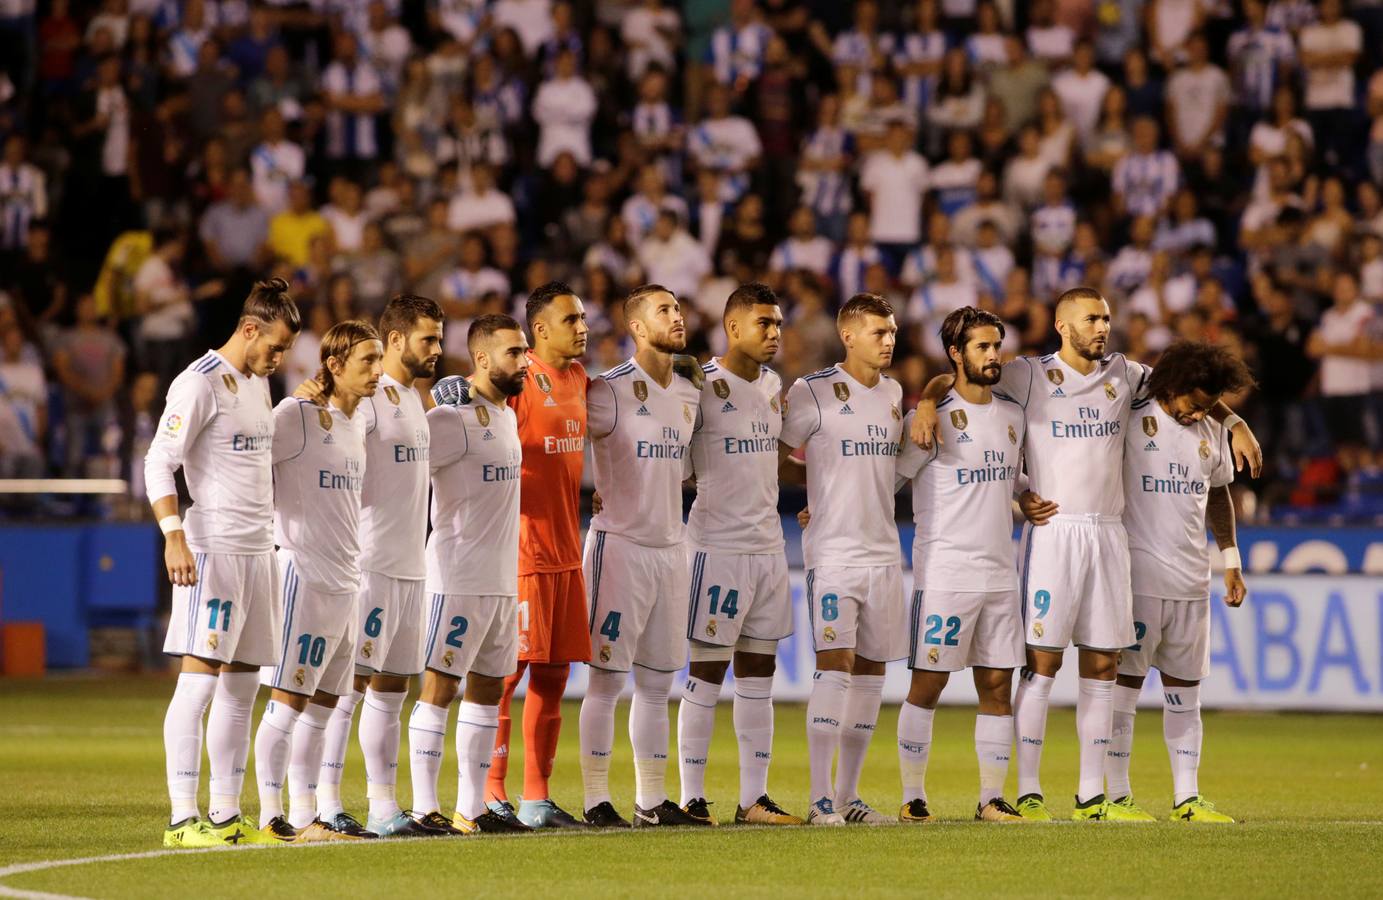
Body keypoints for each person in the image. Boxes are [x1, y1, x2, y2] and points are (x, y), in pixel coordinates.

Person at [909, 286, 1261, 822]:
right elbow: (960, 377)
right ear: (1061, 324)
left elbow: (1192, 385)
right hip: (1055, 532)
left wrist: (1235, 423)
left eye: (1107, 318)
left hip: (1109, 535)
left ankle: (1092, 796)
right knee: (1042, 666)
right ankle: (1027, 792)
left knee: (1103, 666)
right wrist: (929, 399)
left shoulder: (1127, 373)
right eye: (1092, 318)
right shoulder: (1026, 374)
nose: (1102, 327)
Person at [145, 278, 301, 848]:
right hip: (212, 551)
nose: (277, 358)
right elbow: (158, 463)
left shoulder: (257, 384)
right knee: (198, 686)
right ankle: (182, 819)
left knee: (242, 689)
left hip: (260, 554)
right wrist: (173, 536)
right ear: (249, 328)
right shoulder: (198, 383)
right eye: (275, 347)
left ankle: (225, 816)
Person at [433, 281, 594, 829]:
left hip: (568, 551)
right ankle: (492, 792)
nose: (583, 327)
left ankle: (535, 797)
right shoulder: (517, 384)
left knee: (553, 679)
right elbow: (473, 396)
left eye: (583, 318)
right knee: (501, 677)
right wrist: (450, 388)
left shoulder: (580, 380)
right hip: (521, 550)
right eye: (571, 320)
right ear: (540, 331)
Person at [310, 295, 450, 838]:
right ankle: (325, 803)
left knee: (391, 692)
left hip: (411, 569)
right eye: (428, 339)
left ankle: (385, 807)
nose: (437, 349)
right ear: (395, 340)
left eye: (439, 339)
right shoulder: (366, 401)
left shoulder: (416, 399)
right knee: (348, 688)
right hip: (368, 567)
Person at [1103, 340, 1253, 824]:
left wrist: (1230, 558)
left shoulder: (1208, 428)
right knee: (1123, 690)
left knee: (1186, 693)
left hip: (1192, 581)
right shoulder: (1131, 413)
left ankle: (1188, 798)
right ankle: (1118, 795)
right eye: (1195, 404)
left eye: (1210, 406)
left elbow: (1218, 496)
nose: (1199, 414)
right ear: (1172, 387)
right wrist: (1238, 421)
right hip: (1138, 579)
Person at [894, 307, 1028, 823]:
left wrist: (1027, 495)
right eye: (981, 347)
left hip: (999, 572)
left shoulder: (1014, 415)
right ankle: (912, 796)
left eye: (997, 346)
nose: (993, 356)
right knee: (928, 684)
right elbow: (891, 481)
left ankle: (991, 798)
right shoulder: (930, 417)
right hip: (946, 571)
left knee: (998, 686)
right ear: (956, 354)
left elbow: (1008, 476)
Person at [677, 283, 802, 826]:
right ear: (733, 328)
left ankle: (754, 798)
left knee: (759, 673)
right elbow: (670, 458)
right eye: (763, 324)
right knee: (706, 671)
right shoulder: (699, 385)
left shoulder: (774, 385)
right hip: (717, 548)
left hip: (768, 548)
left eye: (777, 324)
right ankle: (691, 797)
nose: (774, 334)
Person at [253, 320, 384, 842]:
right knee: (288, 699)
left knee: (324, 706)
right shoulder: (296, 415)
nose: (377, 372)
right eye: (366, 362)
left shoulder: (360, 418)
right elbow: (244, 458)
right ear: (333, 366)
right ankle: (269, 814)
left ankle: (307, 815)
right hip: (302, 575)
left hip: (347, 581)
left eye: (379, 360)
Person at [780, 293, 906, 826]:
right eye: (879, 332)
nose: (889, 340)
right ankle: (818, 798)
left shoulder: (896, 393)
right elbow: (778, 457)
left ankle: (850, 796)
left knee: (873, 671)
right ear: (849, 336)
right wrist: (813, 497)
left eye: (893, 331)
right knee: (837, 664)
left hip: (884, 551)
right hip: (833, 553)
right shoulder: (810, 391)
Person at [580, 284, 703, 828]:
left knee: (657, 683)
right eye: (663, 310)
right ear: (635, 326)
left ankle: (651, 802)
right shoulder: (607, 390)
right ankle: (594, 799)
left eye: (678, 309)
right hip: (620, 548)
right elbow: (556, 436)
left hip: (671, 549)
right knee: (606, 681)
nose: (676, 317)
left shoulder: (689, 391)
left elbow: (684, 468)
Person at [408, 314, 532, 834]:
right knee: (438, 688)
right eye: (513, 353)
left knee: (486, 692)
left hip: (502, 582)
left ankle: (471, 808)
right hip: (455, 579)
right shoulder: (450, 420)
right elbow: (403, 465)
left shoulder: (505, 415)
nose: (524, 362)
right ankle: (422, 808)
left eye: (525, 352)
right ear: (481, 359)